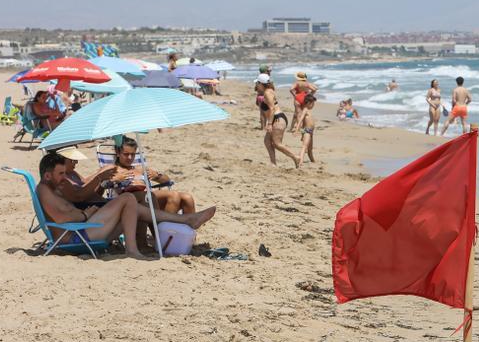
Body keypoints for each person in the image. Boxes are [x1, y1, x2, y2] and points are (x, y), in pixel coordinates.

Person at [35, 153, 215, 260]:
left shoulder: (50, 188)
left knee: (133, 207)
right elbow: (63, 218)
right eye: (60, 174)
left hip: (83, 230)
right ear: (48, 175)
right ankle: (132, 249)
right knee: (128, 198)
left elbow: (67, 210)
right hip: (76, 237)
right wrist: (85, 214)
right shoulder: (44, 190)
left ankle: (186, 220)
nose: (63, 177)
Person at [112, 137, 196, 214]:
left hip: (148, 199)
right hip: (130, 200)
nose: (130, 157)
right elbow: (105, 184)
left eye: (133, 154)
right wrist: (117, 179)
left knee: (187, 198)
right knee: (173, 195)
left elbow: (167, 181)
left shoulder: (140, 169)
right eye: (126, 154)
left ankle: (189, 230)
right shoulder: (113, 170)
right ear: (118, 153)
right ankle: (166, 227)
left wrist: (156, 175)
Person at [256, 75, 300, 168]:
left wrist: (269, 124)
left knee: (277, 144)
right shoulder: (268, 91)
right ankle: (273, 163)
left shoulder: (267, 93)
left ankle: (295, 157)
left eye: (257, 83)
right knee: (267, 141)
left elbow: (272, 108)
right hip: (277, 118)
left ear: (260, 83)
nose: (256, 85)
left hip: (277, 119)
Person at [296, 94, 317, 167]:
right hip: (307, 131)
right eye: (313, 104)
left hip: (310, 132)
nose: (313, 105)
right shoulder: (305, 110)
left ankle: (313, 161)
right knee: (304, 147)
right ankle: (300, 162)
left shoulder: (308, 110)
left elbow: (304, 123)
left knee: (310, 149)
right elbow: (301, 120)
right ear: (308, 103)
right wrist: (297, 129)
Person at [254, 65, 273, 130]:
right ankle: (269, 125)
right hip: (265, 96)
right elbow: (272, 88)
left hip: (259, 96)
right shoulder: (267, 79)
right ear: (266, 71)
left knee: (261, 113)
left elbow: (255, 89)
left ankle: (263, 127)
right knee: (269, 112)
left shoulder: (258, 79)